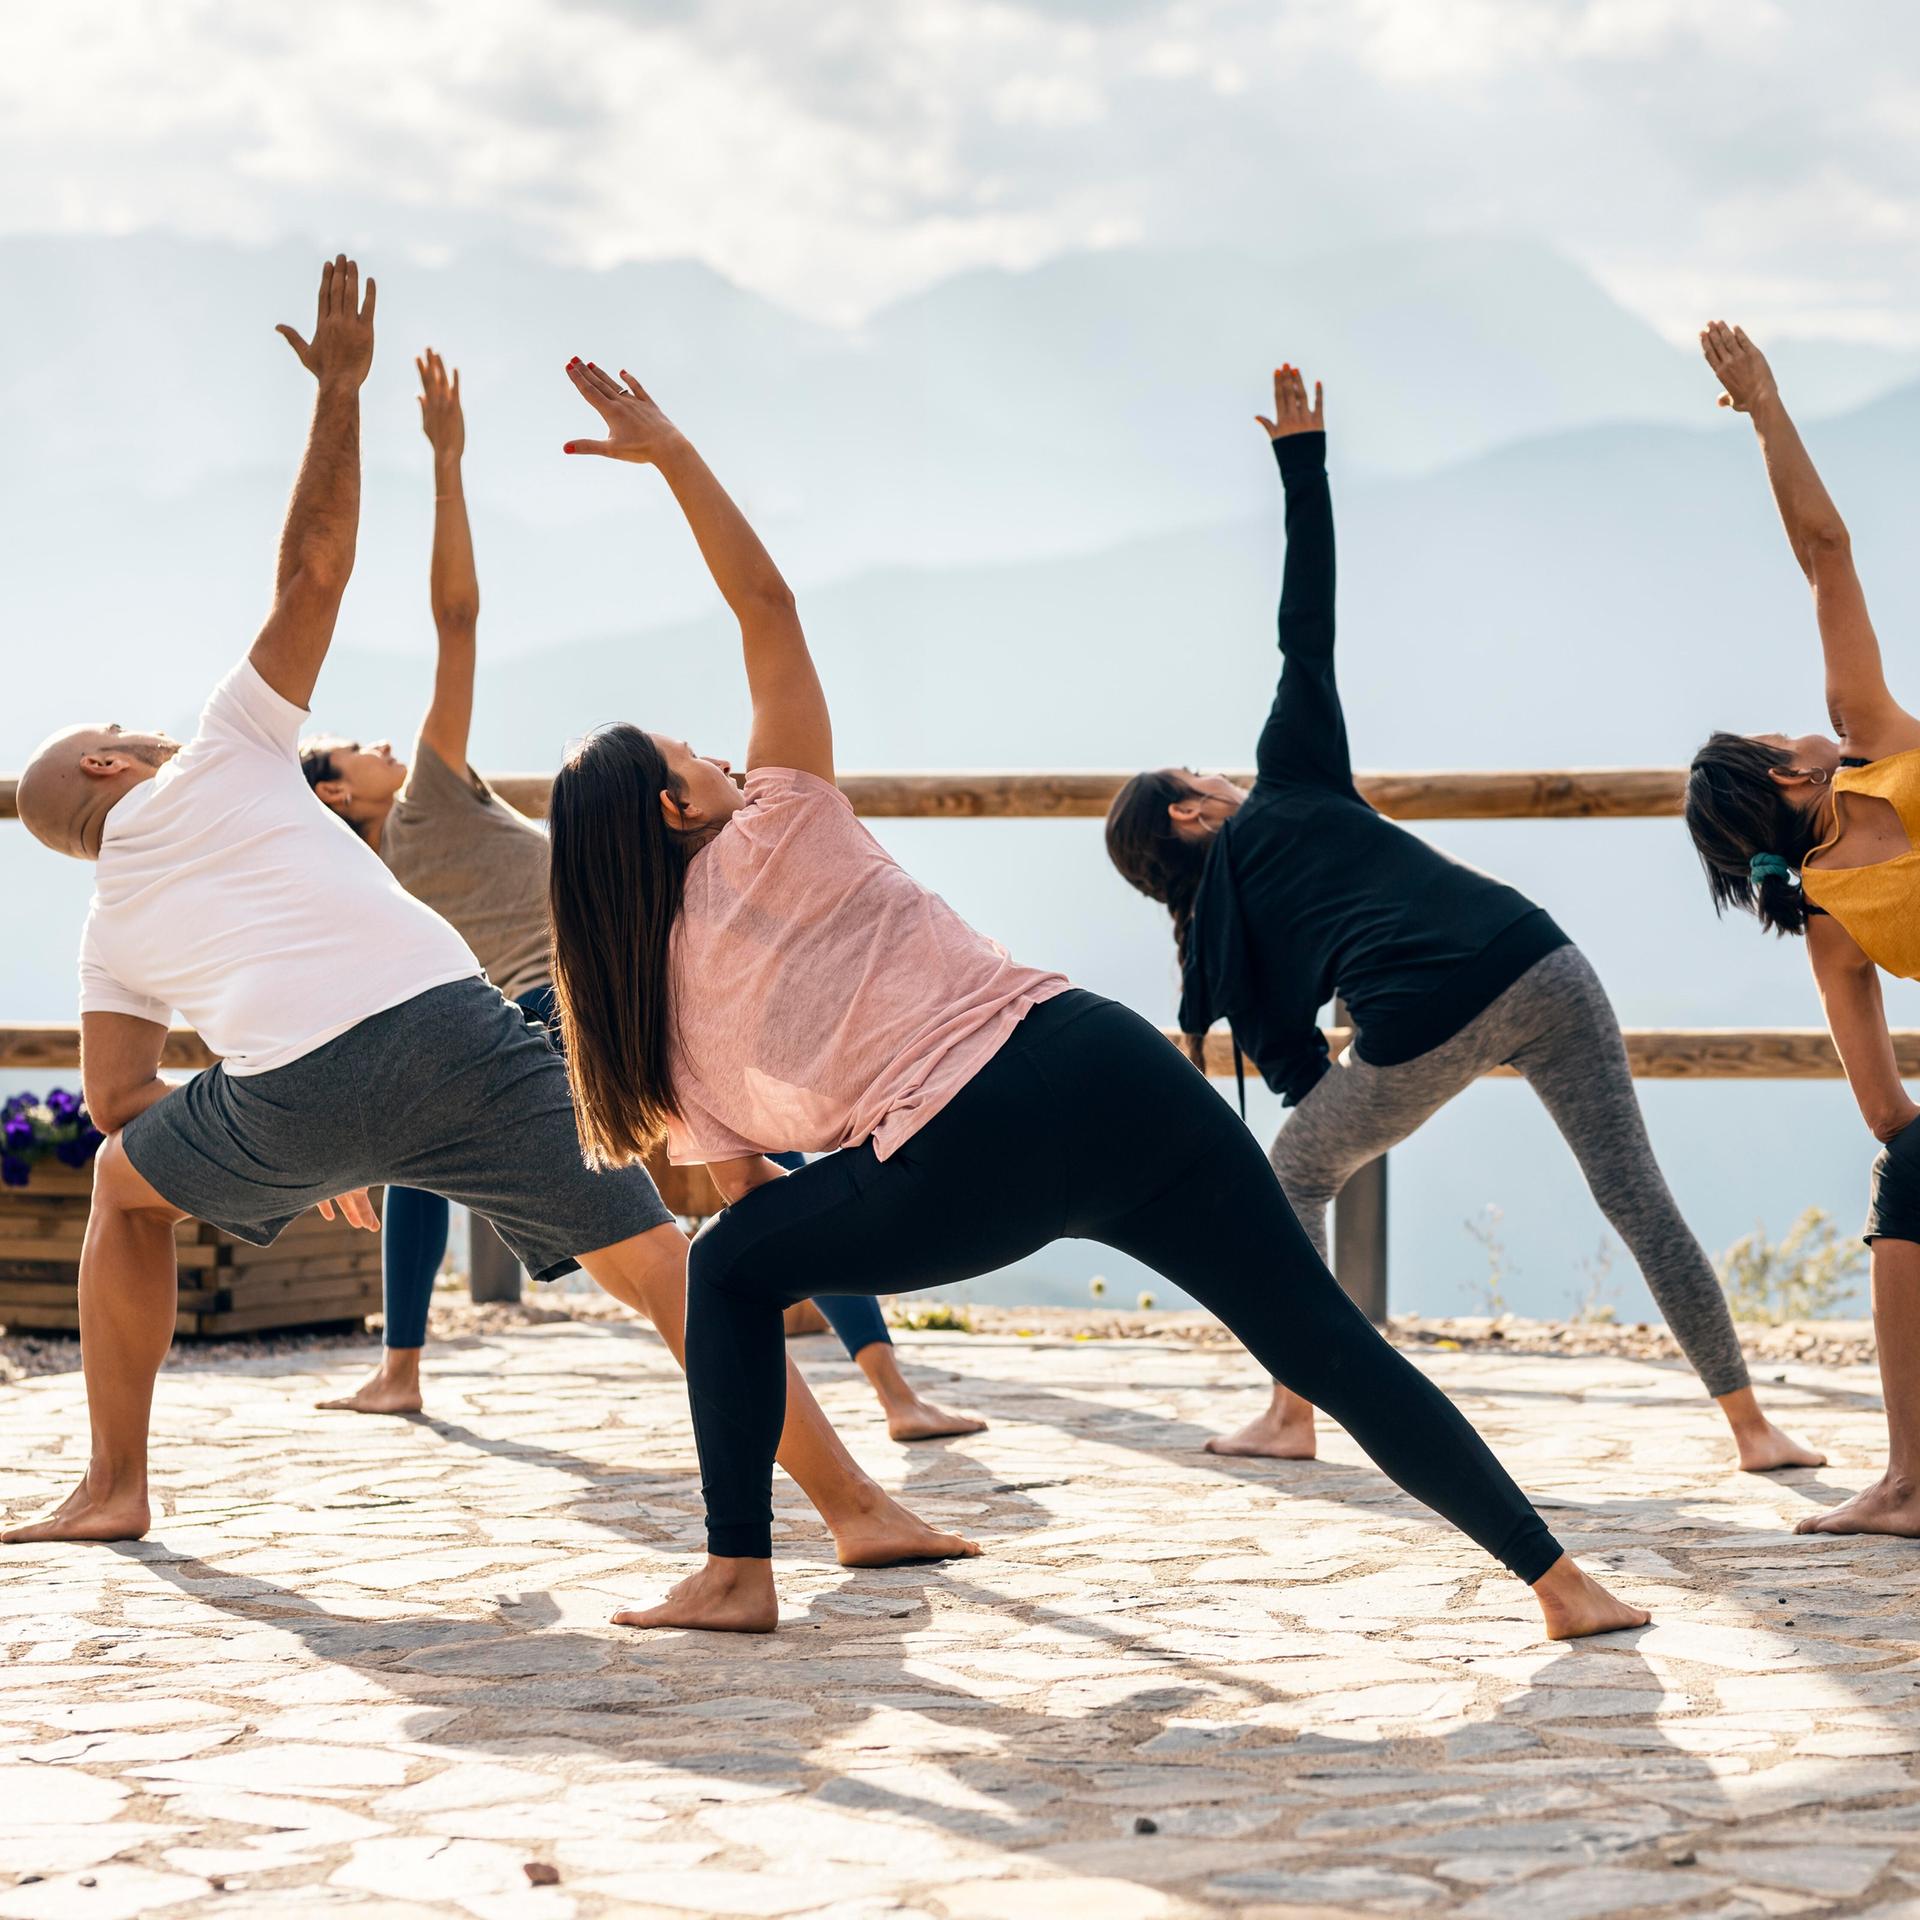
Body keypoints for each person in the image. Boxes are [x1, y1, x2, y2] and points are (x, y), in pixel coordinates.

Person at [538, 353, 1649, 1641]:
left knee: (725, 1270)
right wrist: (674, 453)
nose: (725, 755)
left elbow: (757, 1214)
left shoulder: (640, 1025)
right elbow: (768, 605)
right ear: (677, 808)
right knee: (1322, 1343)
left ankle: (739, 1572)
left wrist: (873, 1317)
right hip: (1109, 1072)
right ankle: (1563, 1585)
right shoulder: (782, 821)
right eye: (697, 756)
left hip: (960, 1169)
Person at [1, 258, 974, 1577]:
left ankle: (115, 1484)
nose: (143, 726)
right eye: (121, 728)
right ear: (111, 770)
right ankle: (858, 1509)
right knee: (661, 1267)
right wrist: (341, 394)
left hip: (294, 1093)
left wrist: (295, 1143)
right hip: (463, 1029)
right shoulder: (225, 751)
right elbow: (317, 571)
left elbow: (120, 1110)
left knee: (124, 1194)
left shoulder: (106, 928)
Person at [1104, 365, 1821, 1476]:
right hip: (1541, 953)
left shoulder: (1219, 941)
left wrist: (1359, 1088)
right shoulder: (1293, 779)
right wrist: (1304, 461)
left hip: (1424, 1014)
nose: (1220, 775)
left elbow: (1293, 1070)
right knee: (1635, 1194)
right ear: (1192, 811)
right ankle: (1754, 1429)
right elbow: (1307, 626)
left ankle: (1293, 1414)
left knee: (1295, 1172)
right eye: (1199, 774)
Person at [297, 347, 983, 1444]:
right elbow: (458, 620)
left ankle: (403, 1367)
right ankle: (889, 1393)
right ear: (337, 790)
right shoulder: (421, 804)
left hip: (547, 1017)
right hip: (578, 1003)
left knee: (431, 1154)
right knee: (769, 1156)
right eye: (353, 749)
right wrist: (447, 463)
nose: (383, 744)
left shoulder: (359, 875)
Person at [1685, 321, 1920, 1536]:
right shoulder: (1875, 743)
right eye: (1783, 742)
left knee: (1911, 1182)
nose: (1804, 730)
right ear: (1785, 781)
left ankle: (1909, 1482)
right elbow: (1826, 554)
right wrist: (1769, 407)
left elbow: (1887, 1115)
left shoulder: (1829, 922)